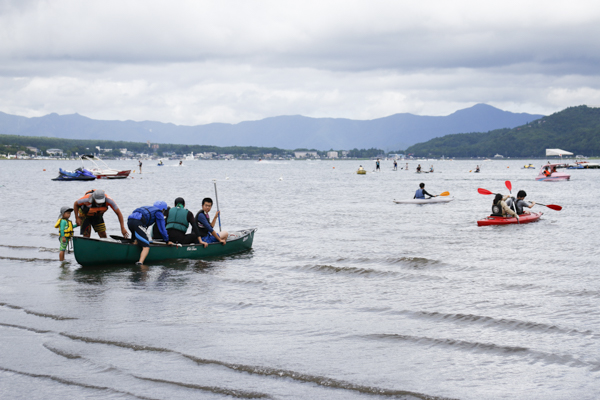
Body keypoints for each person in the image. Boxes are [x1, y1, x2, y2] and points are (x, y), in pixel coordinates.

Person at [128, 201, 175, 265]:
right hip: (138, 223)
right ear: (163, 209)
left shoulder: (150, 208)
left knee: (136, 241)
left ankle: (131, 251)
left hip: (130, 221)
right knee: (146, 245)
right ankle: (140, 263)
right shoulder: (159, 212)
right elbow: (162, 229)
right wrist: (167, 240)